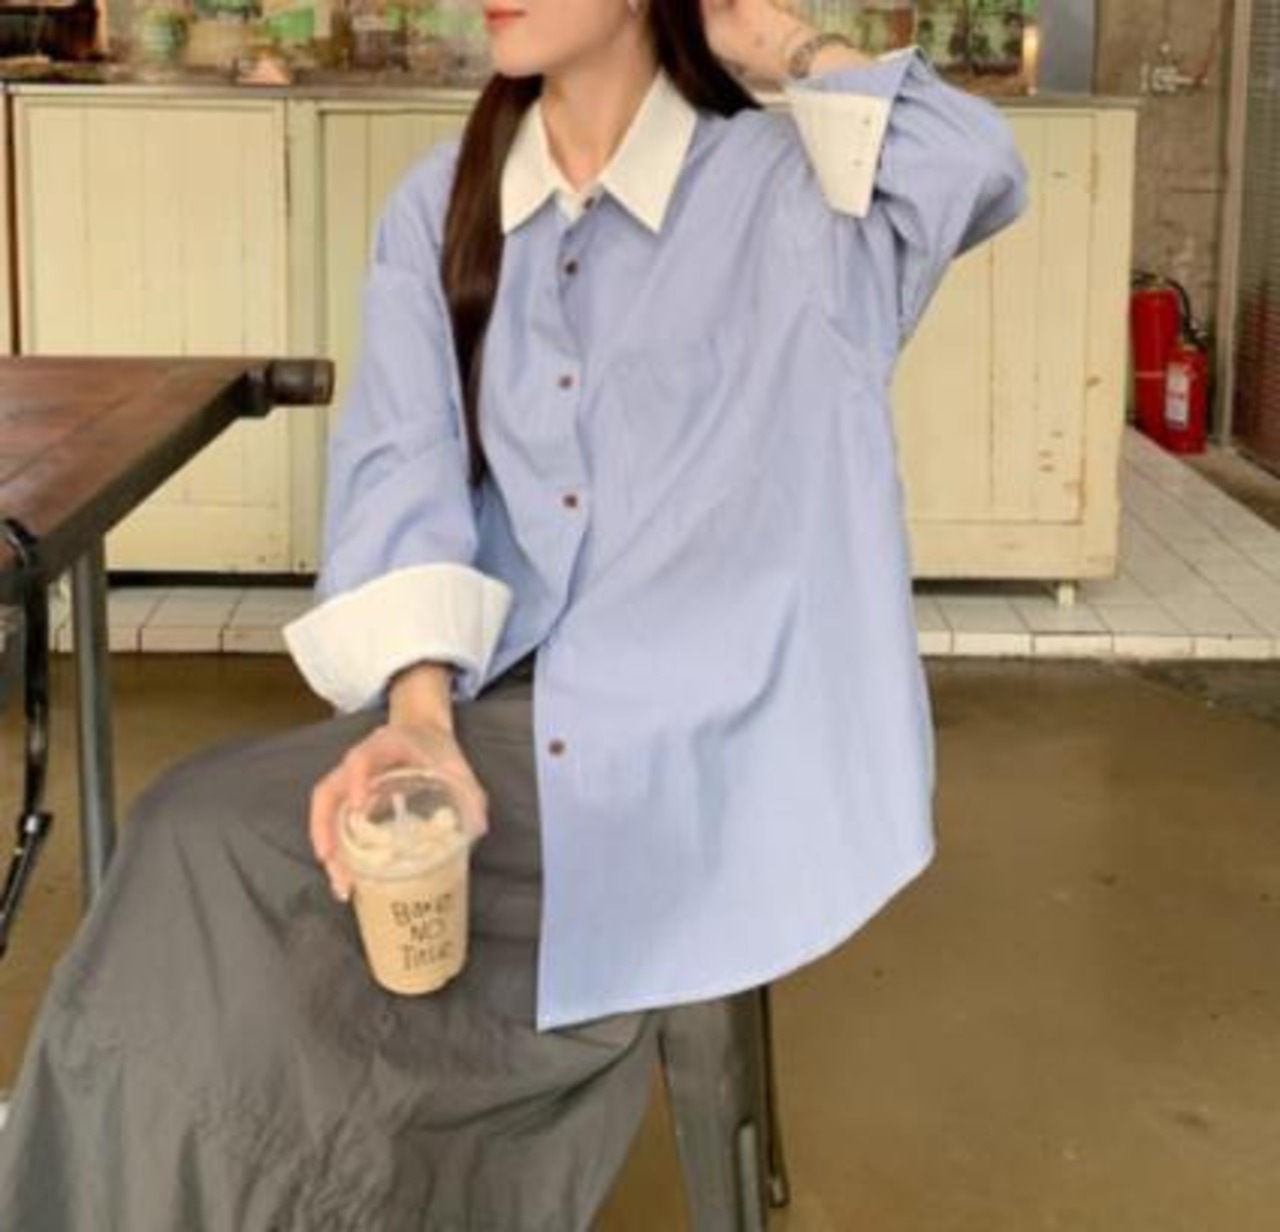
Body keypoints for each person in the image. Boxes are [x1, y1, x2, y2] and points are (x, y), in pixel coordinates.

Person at [0, 1, 1028, 1227]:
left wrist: (773, 38)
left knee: (255, 914)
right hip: (514, 714)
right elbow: (404, 470)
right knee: (201, 837)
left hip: (723, 738)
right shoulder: (442, 204)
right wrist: (417, 719)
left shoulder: (790, 192)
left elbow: (971, 167)